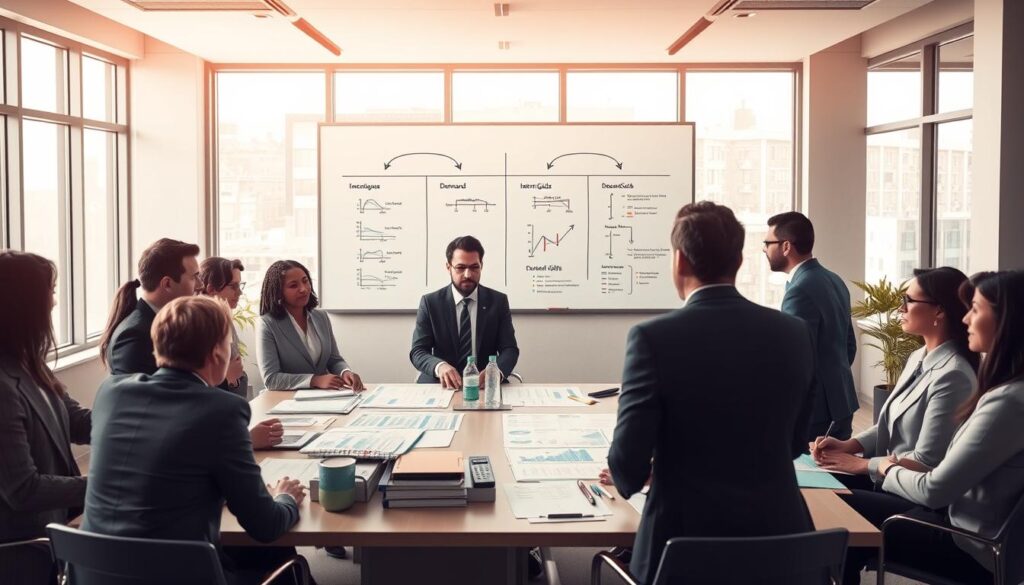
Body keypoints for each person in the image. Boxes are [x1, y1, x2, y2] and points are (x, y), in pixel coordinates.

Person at [608, 202, 817, 585]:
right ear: (738, 261)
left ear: (679, 261)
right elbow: (793, 442)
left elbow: (627, 468)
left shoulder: (652, 338)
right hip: (782, 545)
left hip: (684, 549)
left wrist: (646, 472)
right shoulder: (794, 334)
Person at [82, 296, 307, 585]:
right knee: (283, 560)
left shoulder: (110, 392)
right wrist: (286, 496)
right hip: (176, 574)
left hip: (92, 571)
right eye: (230, 345)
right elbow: (265, 525)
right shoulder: (222, 410)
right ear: (216, 353)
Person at [834, 271, 1024, 584]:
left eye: (975, 309)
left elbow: (935, 489)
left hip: (966, 544)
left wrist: (879, 465)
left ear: (1006, 319)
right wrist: (858, 451)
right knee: (840, 505)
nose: (965, 319)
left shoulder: (1006, 402)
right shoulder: (1005, 391)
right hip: (955, 521)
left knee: (843, 515)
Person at [813, 267, 977, 492]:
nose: (901, 308)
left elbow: (927, 461)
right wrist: (849, 445)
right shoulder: (918, 356)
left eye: (908, 300)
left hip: (907, 492)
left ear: (939, 311)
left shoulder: (954, 376)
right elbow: (890, 423)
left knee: (819, 497)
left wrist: (861, 464)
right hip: (883, 477)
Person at [0, 251, 91, 585]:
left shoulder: (29, 363)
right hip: (23, 553)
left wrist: (143, 423)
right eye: (50, 292)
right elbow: (23, 489)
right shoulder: (2, 386)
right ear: (24, 305)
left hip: (54, 536)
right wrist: (99, 486)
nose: (55, 302)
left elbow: (78, 421)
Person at [765, 211, 859, 441]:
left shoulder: (800, 289)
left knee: (812, 475)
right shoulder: (834, 279)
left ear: (786, 246)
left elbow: (795, 356)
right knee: (838, 473)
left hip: (815, 411)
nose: (764, 250)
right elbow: (849, 345)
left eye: (768, 243)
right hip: (841, 402)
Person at [410, 236, 519, 388]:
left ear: (482, 265)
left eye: (474, 267)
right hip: (442, 384)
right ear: (448, 267)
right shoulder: (431, 303)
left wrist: (496, 371)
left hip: (484, 384)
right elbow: (418, 351)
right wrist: (440, 366)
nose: (468, 274)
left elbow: (509, 349)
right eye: (460, 268)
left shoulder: (497, 301)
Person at [257, 260, 364, 391]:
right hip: (287, 401)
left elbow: (334, 360)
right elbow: (271, 379)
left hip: (324, 397)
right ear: (278, 292)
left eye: (305, 281)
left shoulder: (321, 317)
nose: (303, 289)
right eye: (293, 285)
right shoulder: (267, 324)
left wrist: (345, 372)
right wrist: (314, 380)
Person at [99, 237, 201, 375]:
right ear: (167, 284)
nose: (201, 285)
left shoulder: (168, 323)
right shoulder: (134, 337)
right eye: (194, 277)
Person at [199, 257, 250, 399]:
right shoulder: (199, 327)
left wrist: (233, 380)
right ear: (211, 289)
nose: (239, 293)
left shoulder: (223, 317)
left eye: (240, 285)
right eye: (233, 286)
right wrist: (229, 380)